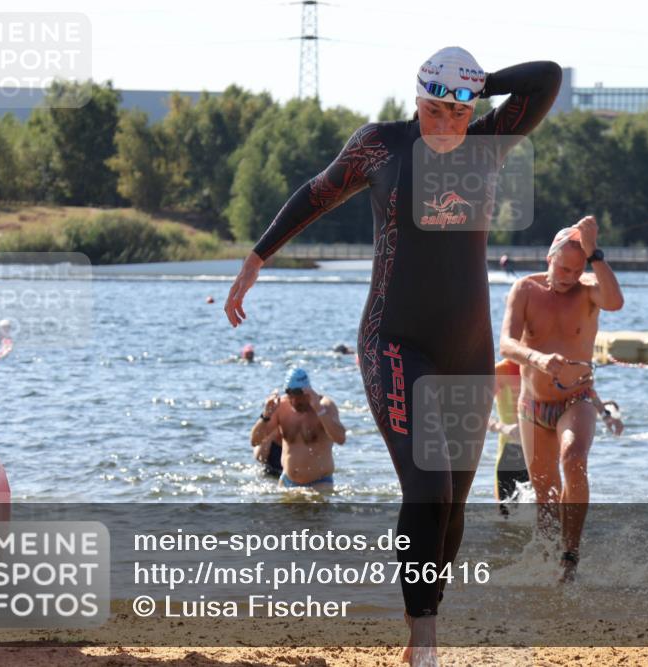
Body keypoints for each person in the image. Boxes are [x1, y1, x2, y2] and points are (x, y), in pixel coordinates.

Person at [224, 46, 561, 664]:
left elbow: (546, 79)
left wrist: (480, 85)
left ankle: (424, 624)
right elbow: (316, 192)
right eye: (435, 110)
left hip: (468, 350)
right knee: (427, 486)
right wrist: (256, 258)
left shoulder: (488, 142)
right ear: (416, 100)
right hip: (394, 341)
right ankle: (422, 640)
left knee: (453, 506)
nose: (446, 126)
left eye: (458, 114)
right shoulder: (381, 146)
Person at [499, 215, 624, 582]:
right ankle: (546, 559)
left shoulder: (588, 291)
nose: (569, 277)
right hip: (533, 404)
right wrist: (538, 359)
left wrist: (595, 252)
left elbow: (615, 301)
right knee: (546, 497)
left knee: (573, 458)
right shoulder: (525, 289)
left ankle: (570, 557)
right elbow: (506, 342)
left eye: (577, 269)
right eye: (564, 268)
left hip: (578, 397)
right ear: (548, 259)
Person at [249, 368, 346, 492]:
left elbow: (340, 438)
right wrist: (266, 415)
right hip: (287, 482)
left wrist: (319, 411)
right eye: (291, 396)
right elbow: (254, 441)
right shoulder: (281, 407)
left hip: (320, 483)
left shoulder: (325, 406)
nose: (295, 401)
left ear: (308, 391)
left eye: (300, 396)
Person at [488, 358, 528, 516]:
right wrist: (503, 427)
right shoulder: (501, 371)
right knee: (506, 519)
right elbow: (475, 412)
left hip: (540, 450)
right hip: (510, 451)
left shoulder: (538, 369)